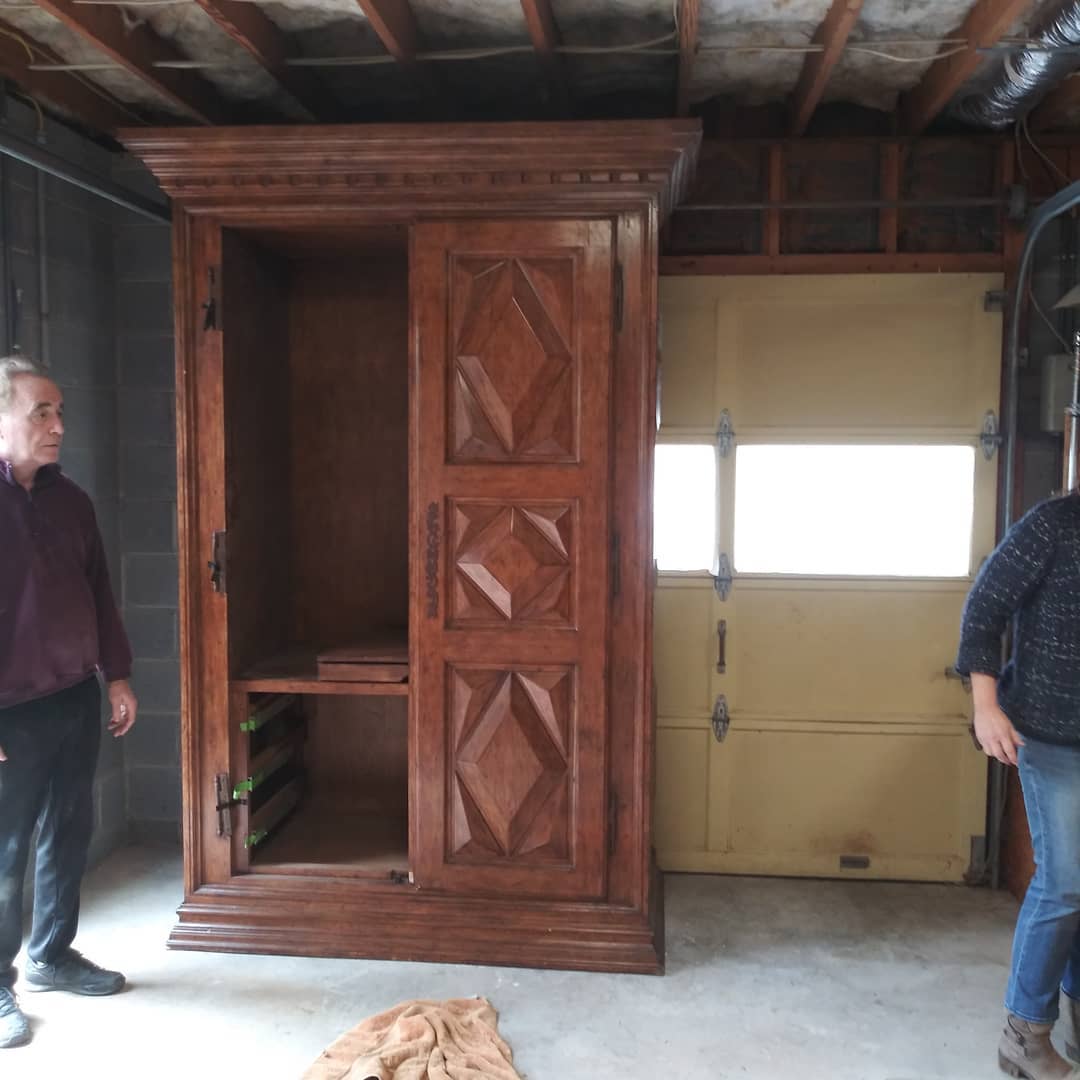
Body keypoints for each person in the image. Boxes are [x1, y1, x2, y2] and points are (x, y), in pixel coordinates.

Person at [0, 355, 138, 1050]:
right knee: (5, 848)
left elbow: (100, 592)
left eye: (60, 413)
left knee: (69, 829)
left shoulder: (71, 501)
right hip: (9, 712)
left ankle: (51, 955)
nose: (58, 426)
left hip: (74, 697)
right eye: (42, 413)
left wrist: (116, 676)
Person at [957, 488, 1080, 1079]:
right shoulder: (1054, 525)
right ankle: (1024, 1036)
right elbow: (984, 609)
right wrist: (986, 708)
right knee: (1066, 884)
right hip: (1050, 739)